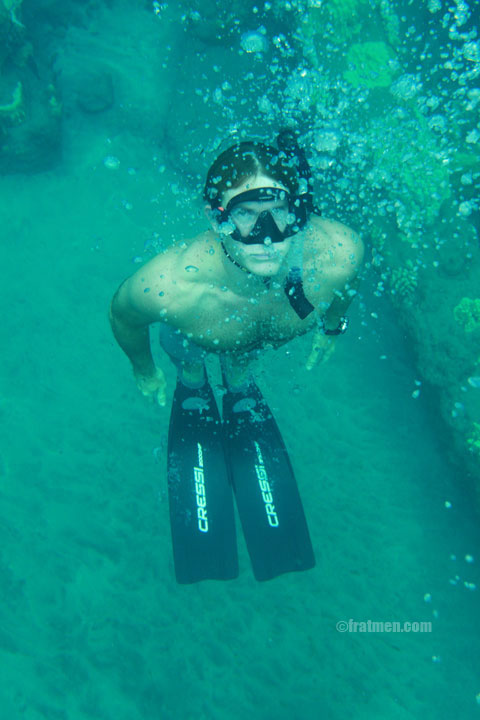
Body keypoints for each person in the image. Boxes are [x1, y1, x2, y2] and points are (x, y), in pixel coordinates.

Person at [110, 133, 364, 584]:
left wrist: (332, 327)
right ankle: (193, 380)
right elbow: (123, 315)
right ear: (217, 217)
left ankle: (238, 379)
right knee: (190, 351)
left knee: (243, 353)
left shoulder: (340, 254)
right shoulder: (173, 286)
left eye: (279, 212)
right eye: (245, 214)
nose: (267, 237)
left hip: (249, 341)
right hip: (195, 334)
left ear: (300, 209)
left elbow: (344, 291)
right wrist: (143, 368)